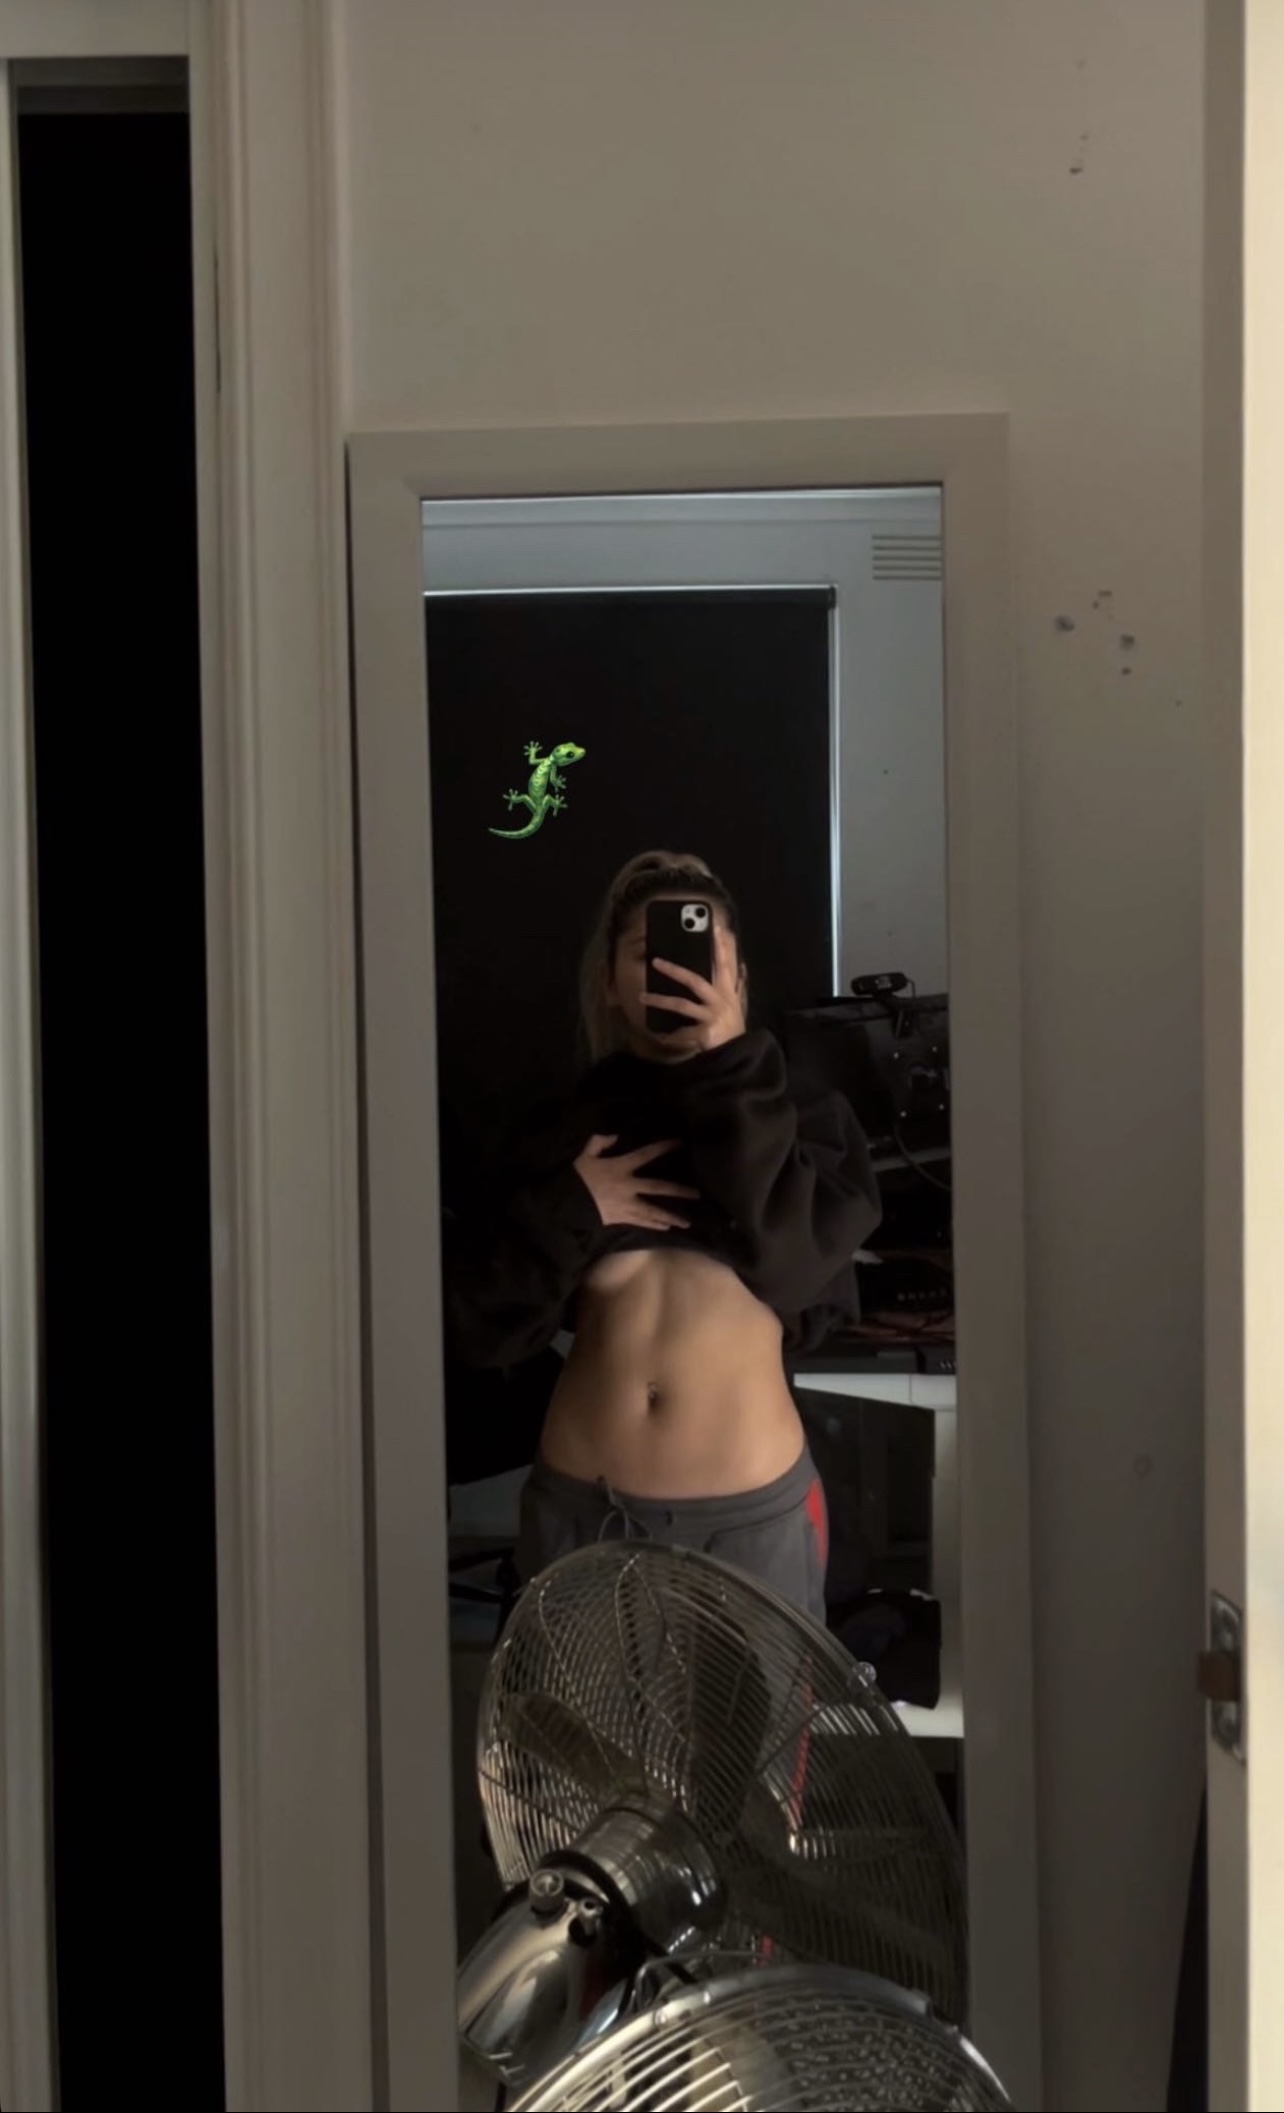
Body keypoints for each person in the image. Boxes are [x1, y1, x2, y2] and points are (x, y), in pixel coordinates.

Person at [446, 850, 880, 1622]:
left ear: (737, 977)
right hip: (584, 1515)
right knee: (570, 1711)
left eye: (703, 954)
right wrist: (576, 1203)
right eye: (650, 955)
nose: (678, 972)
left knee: (755, 1710)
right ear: (610, 983)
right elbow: (486, 1327)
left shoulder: (804, 1119)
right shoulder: (564, 1130)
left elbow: (795, 1265)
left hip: (750, 1521)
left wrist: (733, 1064)